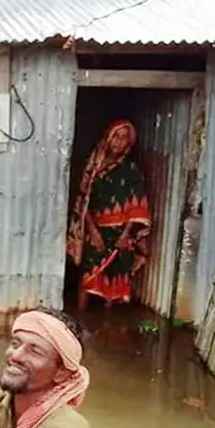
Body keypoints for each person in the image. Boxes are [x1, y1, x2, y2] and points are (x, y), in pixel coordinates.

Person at [65, 119, 152, 311]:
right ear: (108, 138)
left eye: (124, 139)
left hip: (121, 233)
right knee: (88, 277)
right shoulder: (94, 165)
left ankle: (106, 324)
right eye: (116, 137)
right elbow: (84, 200)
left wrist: (125, 235)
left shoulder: (131, 169)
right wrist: (93, 231)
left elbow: (136, 204)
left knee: (113, 282)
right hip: (95, 229)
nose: (119, 143)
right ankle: (80, 318)